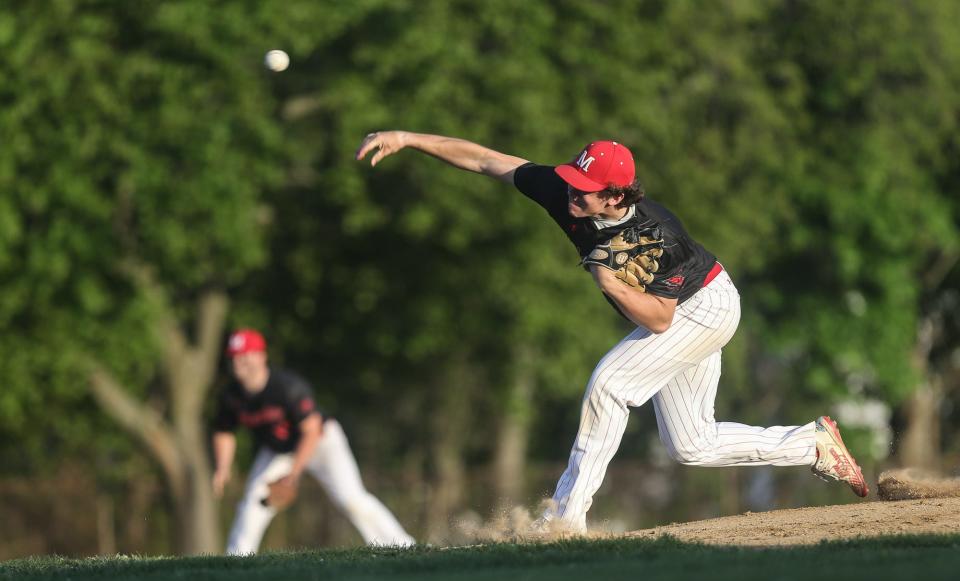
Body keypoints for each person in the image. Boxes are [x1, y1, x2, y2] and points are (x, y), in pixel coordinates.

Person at [355, 131, 869, 533]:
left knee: (609, 385)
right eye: (572, 184)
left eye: (586, 192)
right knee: (692, 445)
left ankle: (566, 517)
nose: (572, 196)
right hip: (681, 311)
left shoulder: (655, 232)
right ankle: (812, 446)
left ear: (618, 195)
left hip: (702, 306)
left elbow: (660, 319)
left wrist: (611, 284)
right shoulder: (566, 191)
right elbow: (489, 161)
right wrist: (410, 139)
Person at [212, 328, 415, 553]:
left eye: (245, 354)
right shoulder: (231, 396)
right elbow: (224, 431)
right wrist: (222, 467)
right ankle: (237, 558)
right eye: (234, 356)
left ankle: (402, 546)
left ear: (261, 356)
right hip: (278, 450)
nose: (239, 361)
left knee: (351, 499)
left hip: (321, 442)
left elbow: (311, 430)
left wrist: (293, 475)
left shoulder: (286, 386)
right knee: (253, 501)